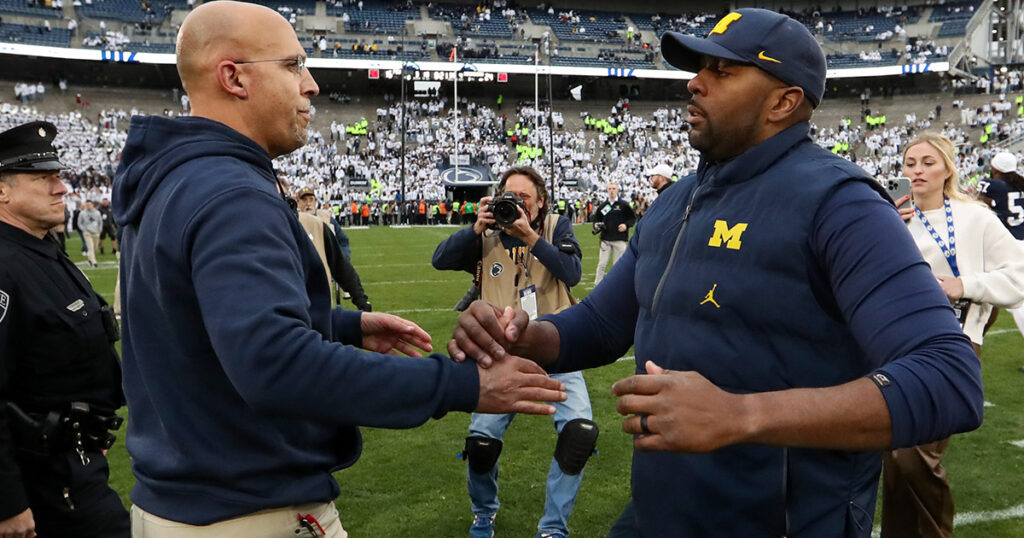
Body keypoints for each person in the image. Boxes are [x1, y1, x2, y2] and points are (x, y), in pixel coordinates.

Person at [446, 9, 984, 537]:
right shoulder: (677, 199)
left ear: (783, 101)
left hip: (782, 517)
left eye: (722, 72)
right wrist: (523, 334)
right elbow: (605, 324)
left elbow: (948, 377)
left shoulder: (839, 203)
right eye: (699, 68)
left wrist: (741, 415)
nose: (695, 84)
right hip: (662, 504)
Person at [112, 3, 566, 536]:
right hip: (248, 507)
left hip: (177, 498)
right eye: (293, 64)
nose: (311, 86)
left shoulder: (175, 179)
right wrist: (461, 385)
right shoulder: (231, 193)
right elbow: (275, 365)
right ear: (233, 77)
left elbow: (196, 324)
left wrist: (341, 325)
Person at [432, 167, 596, 538]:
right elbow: (440, 259)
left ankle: (553, 528)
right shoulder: (488, 233)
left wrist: (530, 236)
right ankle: (484, 512)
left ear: (540, 203)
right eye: (510, 195)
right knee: (481, 444)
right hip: (499, 351)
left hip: (556, 347)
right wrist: (476, 227)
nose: (516, 204)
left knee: (579, 433)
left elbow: (571, 273)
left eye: (524, 198)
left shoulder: (556, 226)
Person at [882, 134, 1024, 538]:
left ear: (947, 167)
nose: (917, 171)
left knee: (914, 456)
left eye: (927, 162)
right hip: (894, 345)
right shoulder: (890, 218)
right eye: (910, 163)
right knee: (894, 459)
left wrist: (964, 285)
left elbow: (1019, 272)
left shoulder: (974, 217)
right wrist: (889, 226)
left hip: (953, 343)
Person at [0, 121, 129, 538]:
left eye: (58, 176)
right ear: (2, 191)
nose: (62, 188)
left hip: (76, 460)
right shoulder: (5, 265)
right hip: (41, 479)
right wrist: (6, 501)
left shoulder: (41, 250)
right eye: (44, 178)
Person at [976, 151, 1024, 356]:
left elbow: (978, 202)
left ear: (995, 168)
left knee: (1013, 303)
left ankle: (975, 338)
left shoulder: (993, 185)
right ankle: (977, 337)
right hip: (1021, 241)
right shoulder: (1020, 186)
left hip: (1007, 247)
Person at [296, 187, 371, 311]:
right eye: (304, 200)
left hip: (325, 277)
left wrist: (342, 257)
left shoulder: (327, 219)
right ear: (298, 203)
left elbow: (343, 242)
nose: (308, 203)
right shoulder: (293, 221)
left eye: (311, 200)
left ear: (316, 202)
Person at [592, 182, 634, 285]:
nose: (612, 191)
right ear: (607, 190)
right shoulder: (603, 206)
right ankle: (598, 284)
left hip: (620, 239)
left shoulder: (623, 205)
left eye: (614, 188)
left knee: (618, 265)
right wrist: (596, 225)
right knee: (602, 264)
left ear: (617, 190)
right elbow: (596, 219)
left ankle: (617, 285)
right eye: (610, 188)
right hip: (606, 239)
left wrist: (626, 225)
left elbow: (632, 218)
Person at [77, 199, 101, 267]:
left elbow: (100, 222)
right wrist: (84, 230)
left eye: (89, 205)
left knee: (95, 247)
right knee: (90, 247)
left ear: (92, 205)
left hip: (96, 232)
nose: (88, 206)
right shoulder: (82, 213)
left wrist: (99, 230)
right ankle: (94, 262)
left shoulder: (97, 213)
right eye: (87, 205)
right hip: (87, 233)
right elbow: (79, 223)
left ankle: (89, 259)